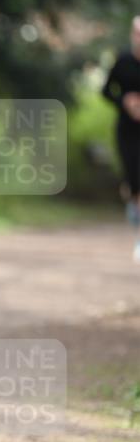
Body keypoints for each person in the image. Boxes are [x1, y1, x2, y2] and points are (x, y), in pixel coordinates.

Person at [102, 15, 140, 262]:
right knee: (135, 179)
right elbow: (106, 90)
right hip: (127, 130)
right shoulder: (123, 61)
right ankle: (131, 193)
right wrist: (124, 102)